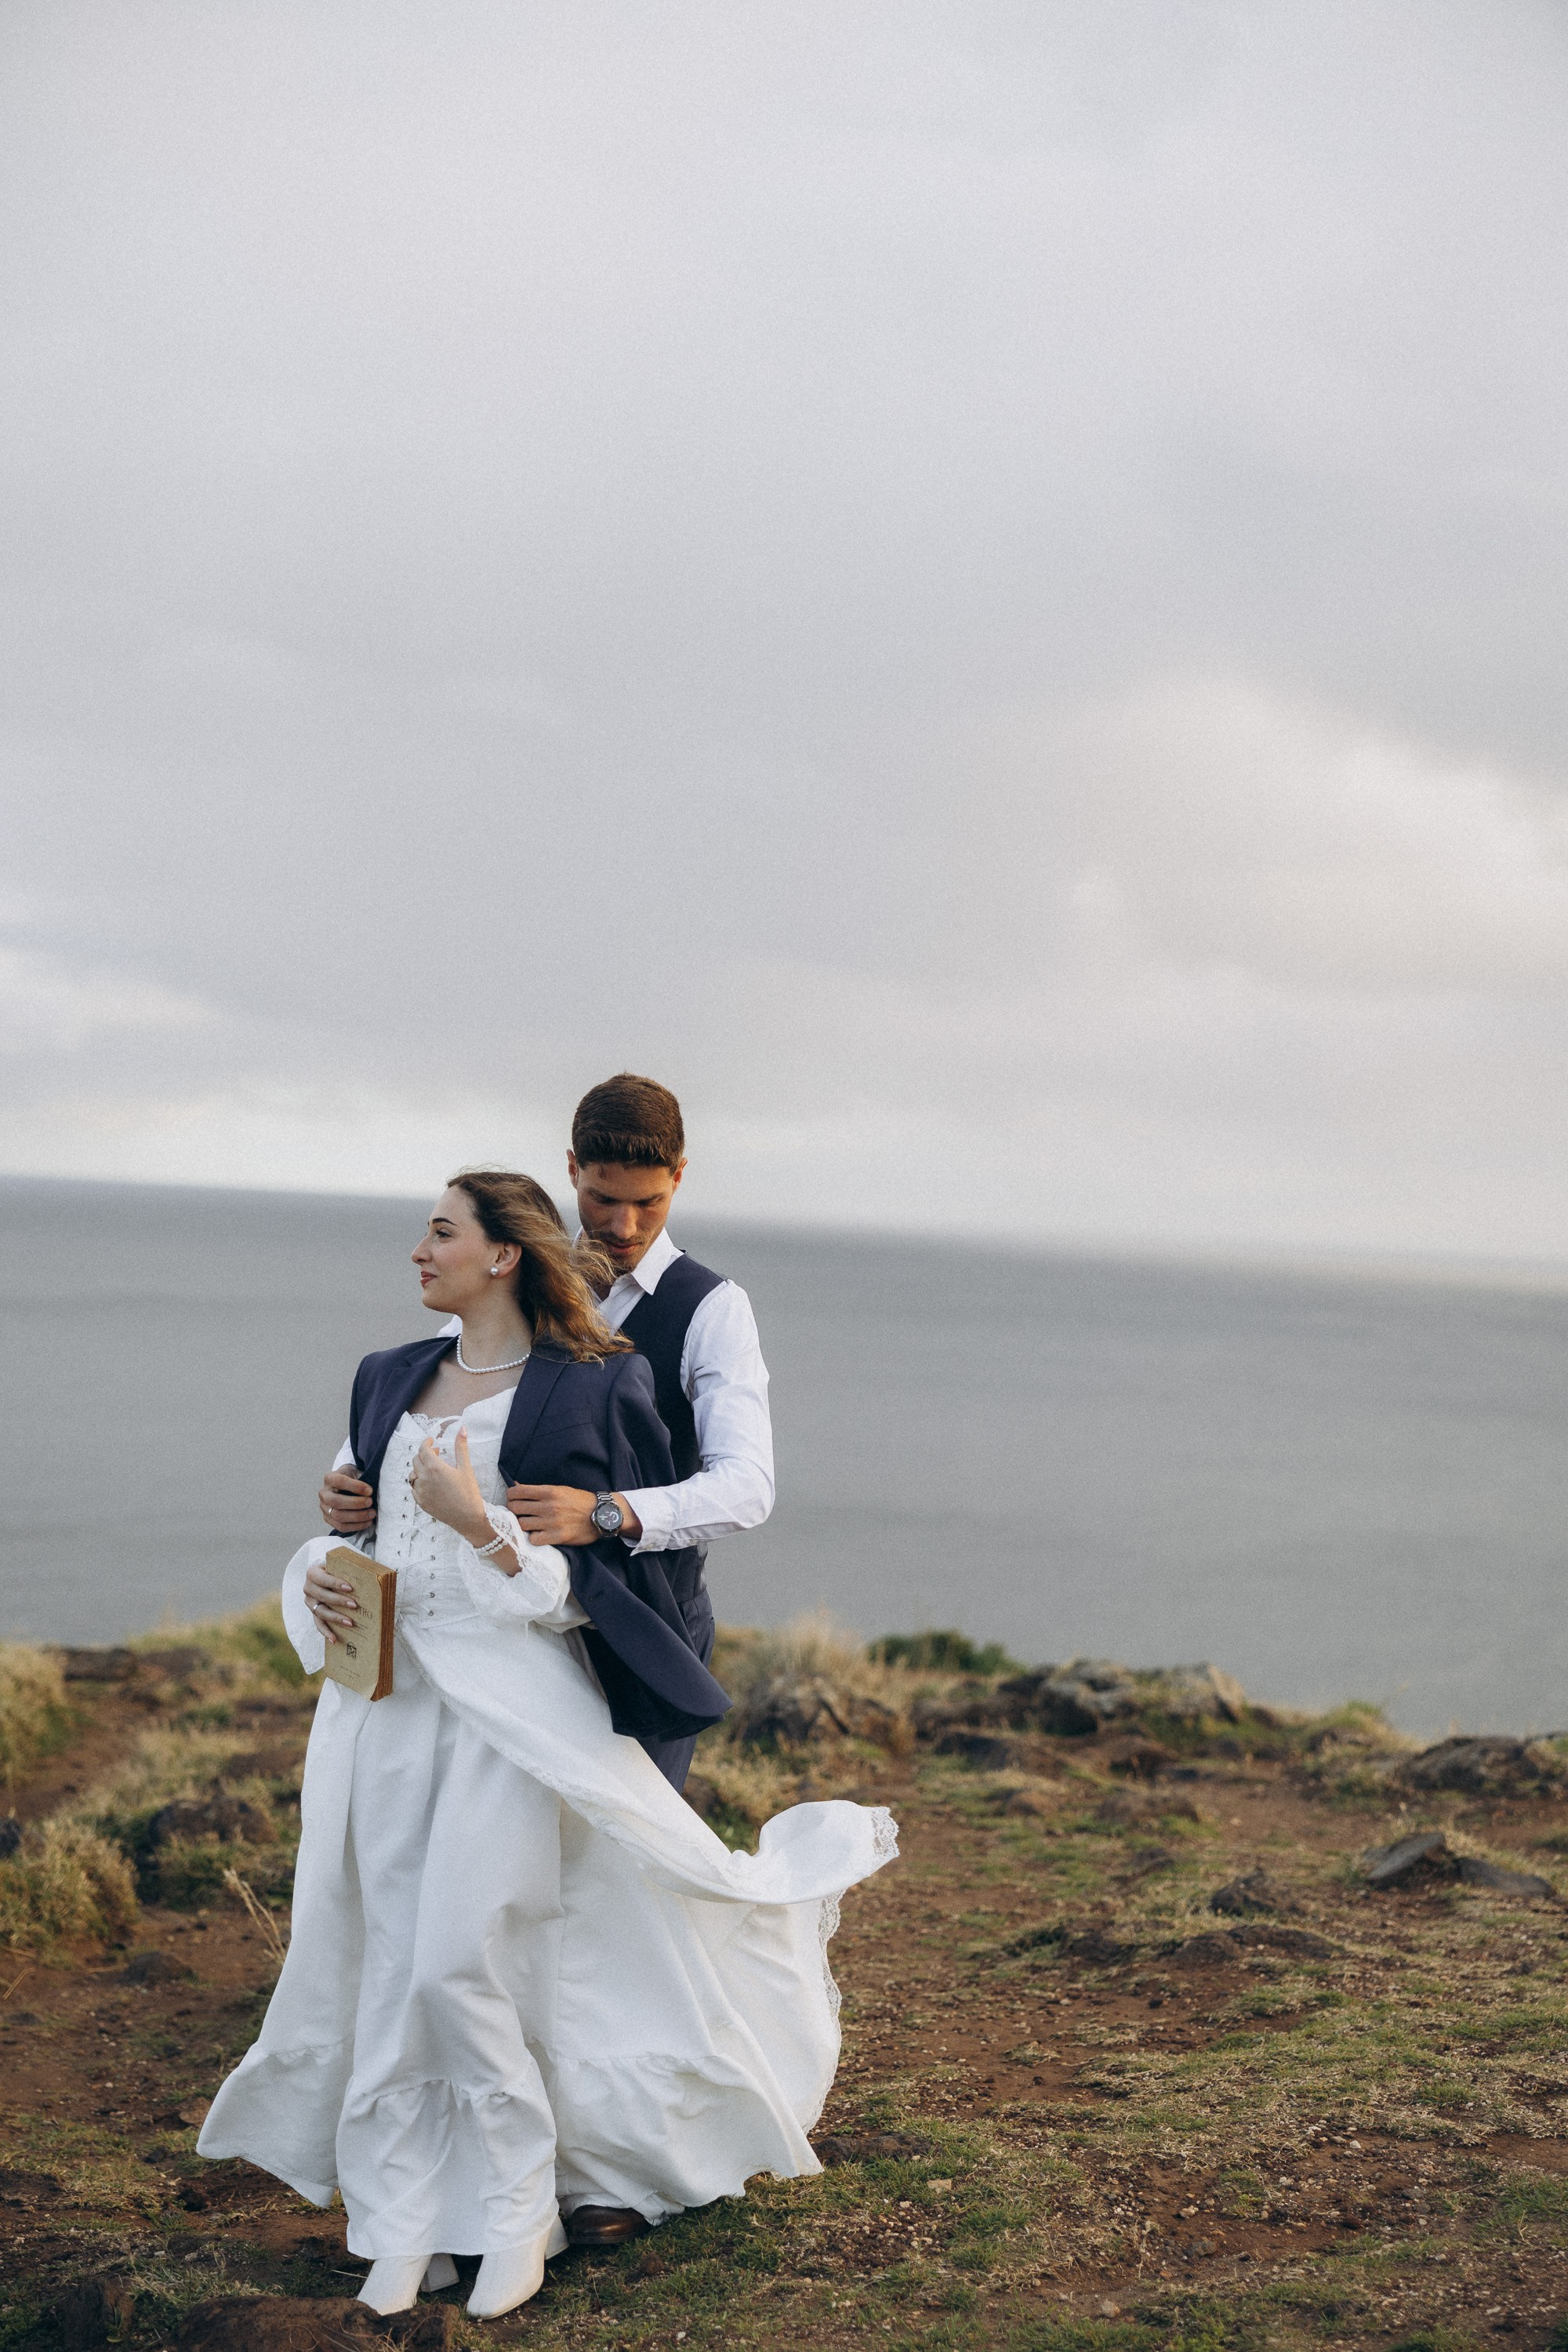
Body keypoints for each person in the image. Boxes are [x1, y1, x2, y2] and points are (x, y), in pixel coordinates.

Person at [198, 1170, 894, 2321]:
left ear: (503, 1254)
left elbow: (590, 1592)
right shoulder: (384, 1377)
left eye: (441, 1231)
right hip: (382, 1711)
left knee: (460, 1960)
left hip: (511, 1712)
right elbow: (349, 1535)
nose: (418, 1249)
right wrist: (314, 1577)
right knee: (379, 1961)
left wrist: (488, 1531)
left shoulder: (595, 1385)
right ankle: (400, 2222)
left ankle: (520, 2212)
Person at [318, 1073, 773, 1791]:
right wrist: (350, 1477)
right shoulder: (518, 1276)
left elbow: (747, 1487)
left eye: (647, 1202)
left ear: (679, 1179)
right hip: (519, 1633)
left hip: (642, 1622)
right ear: (571, 1171)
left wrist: (609, 1513)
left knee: (628, 1858)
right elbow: (439, 1384)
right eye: (601, 1198)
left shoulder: (712, 1309)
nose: (622, 1226)